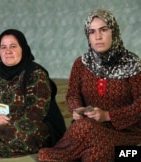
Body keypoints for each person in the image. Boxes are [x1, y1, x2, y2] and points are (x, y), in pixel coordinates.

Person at [38, 9, 141, 161]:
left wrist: (108, 116)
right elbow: (73, 94)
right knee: (91, 149)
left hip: (125, 130)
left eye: (103, 30)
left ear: (114, 32)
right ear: (88, 36)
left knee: (92, 155)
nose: (98, 37)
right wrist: (76, 109)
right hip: (88, 125)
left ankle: (59, 156)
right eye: (92, 32)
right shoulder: (81, 64)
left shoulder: (132, 64)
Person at [0, 29, 66, 158]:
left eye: (13, 46)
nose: (8, 51)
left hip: (25, 126)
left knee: (26, 133)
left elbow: (36, 113)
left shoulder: (35, 73)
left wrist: (8, 122)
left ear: (23, 48)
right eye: (3, 47)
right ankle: (2, 147)